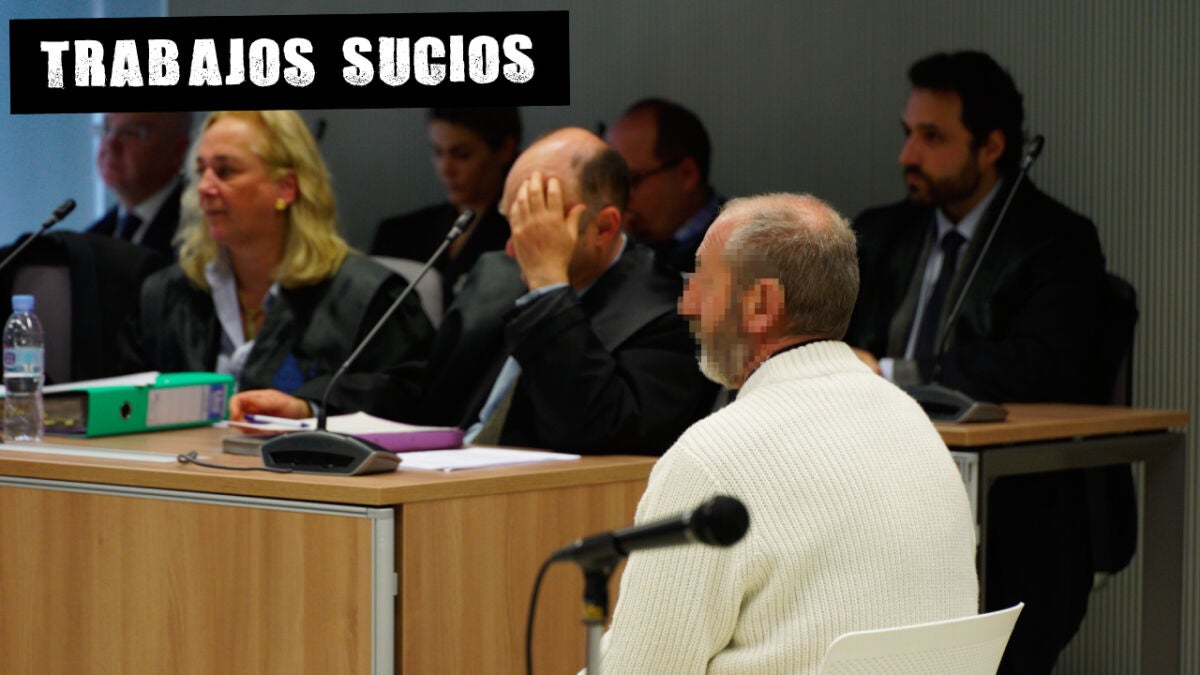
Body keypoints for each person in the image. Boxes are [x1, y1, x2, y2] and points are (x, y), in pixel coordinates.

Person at [598, 193, 978, 672]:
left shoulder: (711, 459)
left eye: (701, 280)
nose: (686, 304)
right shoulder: (916, 425)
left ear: (760, 305)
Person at [843, 51, 1125, 673]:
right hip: (880, 484)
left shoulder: (1057, 241)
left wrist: (890, 375)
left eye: (932, 137)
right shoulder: (881, 232)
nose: (907, 155)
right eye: (907, 133)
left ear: (992, 146)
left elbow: (1038, 367)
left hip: (1013, 504)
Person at [403, 127, 716, 454]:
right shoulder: (495, 275)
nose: (512, 248)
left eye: (539, 229)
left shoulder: (672, 314)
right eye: (513, 222)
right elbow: (427, 397)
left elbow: (593, 432)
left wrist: (548, 288)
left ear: (603, 228)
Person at [119, 110, 433, 420]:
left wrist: (310, 408)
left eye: (225, 171)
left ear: (286, 187)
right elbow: (127, 402)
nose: (204, 187)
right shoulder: (166, 295)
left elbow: (412, 395)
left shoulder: (369, 298)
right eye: (201, 171)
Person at [370, 107, 521, 309]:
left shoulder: (519, 237)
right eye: (438, 152)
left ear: (505, 150)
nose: (445, 169)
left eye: (462, 155)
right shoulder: (396, 235)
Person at [605, 98, 723, 273]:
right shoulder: (631, 241)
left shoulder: (737, 249)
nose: (616, 197)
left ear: (686, 175)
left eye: (631, 181)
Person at [87, 112, 192, 257]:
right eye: (107, 128)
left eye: (130, 133)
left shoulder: (199, 233)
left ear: (178, 151)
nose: (111, 144)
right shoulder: (92, 239)